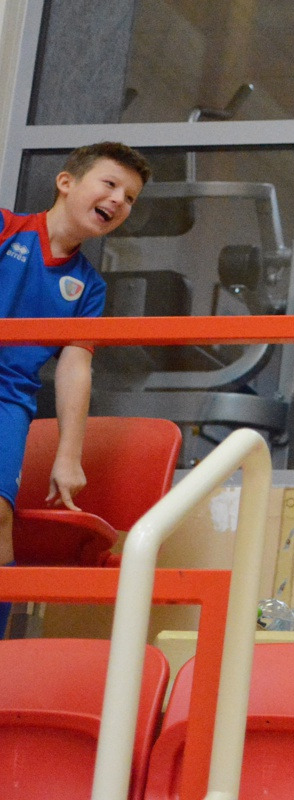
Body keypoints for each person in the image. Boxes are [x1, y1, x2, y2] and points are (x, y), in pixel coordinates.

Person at [0, 142, 150, 637]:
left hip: (7, 401)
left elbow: (75, 368)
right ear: (66, 183)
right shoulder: (5, 228)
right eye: (110, 184)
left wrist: (69, 456)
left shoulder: (89, 288)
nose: (119, 200)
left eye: (130, 197)